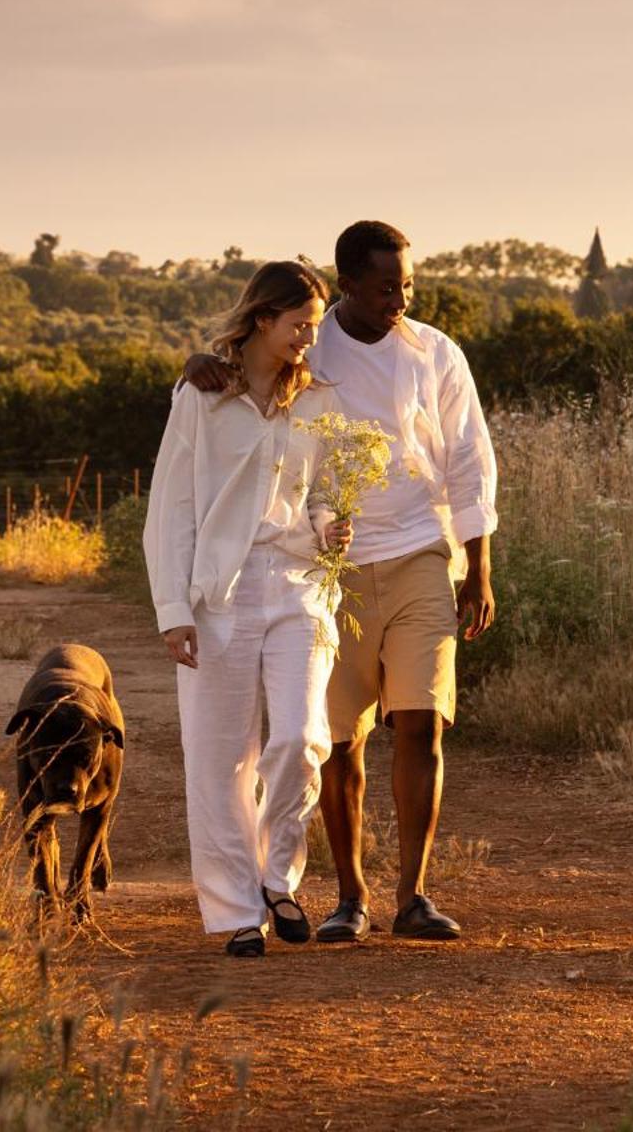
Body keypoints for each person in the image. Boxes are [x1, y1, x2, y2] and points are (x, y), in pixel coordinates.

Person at [185, 219, 497, 942]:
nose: (400, 297)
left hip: (423, 548)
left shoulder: (435, 354)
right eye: (386, 285)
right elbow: (245, 377)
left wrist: (477, 567)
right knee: (338, 741)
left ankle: (413, 896)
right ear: (347, 282)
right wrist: (201, 363)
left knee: (422, 722)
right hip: (328, 567)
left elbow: (469, 461)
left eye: (408, 285)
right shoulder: (306, 343)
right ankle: (350, 897)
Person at [143, 259, 351, 958]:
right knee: (219, 757)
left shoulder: (320, 400)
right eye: (299, 325)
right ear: (263, 318)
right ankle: (237, 912)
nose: (307, 340)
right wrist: (173, 606)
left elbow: (321, 490)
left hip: (298, 585)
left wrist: (328, 524)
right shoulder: (201, 396)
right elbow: (172, 506)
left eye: (315, 328)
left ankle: (276, 875)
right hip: (217, 594)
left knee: (300, 737)